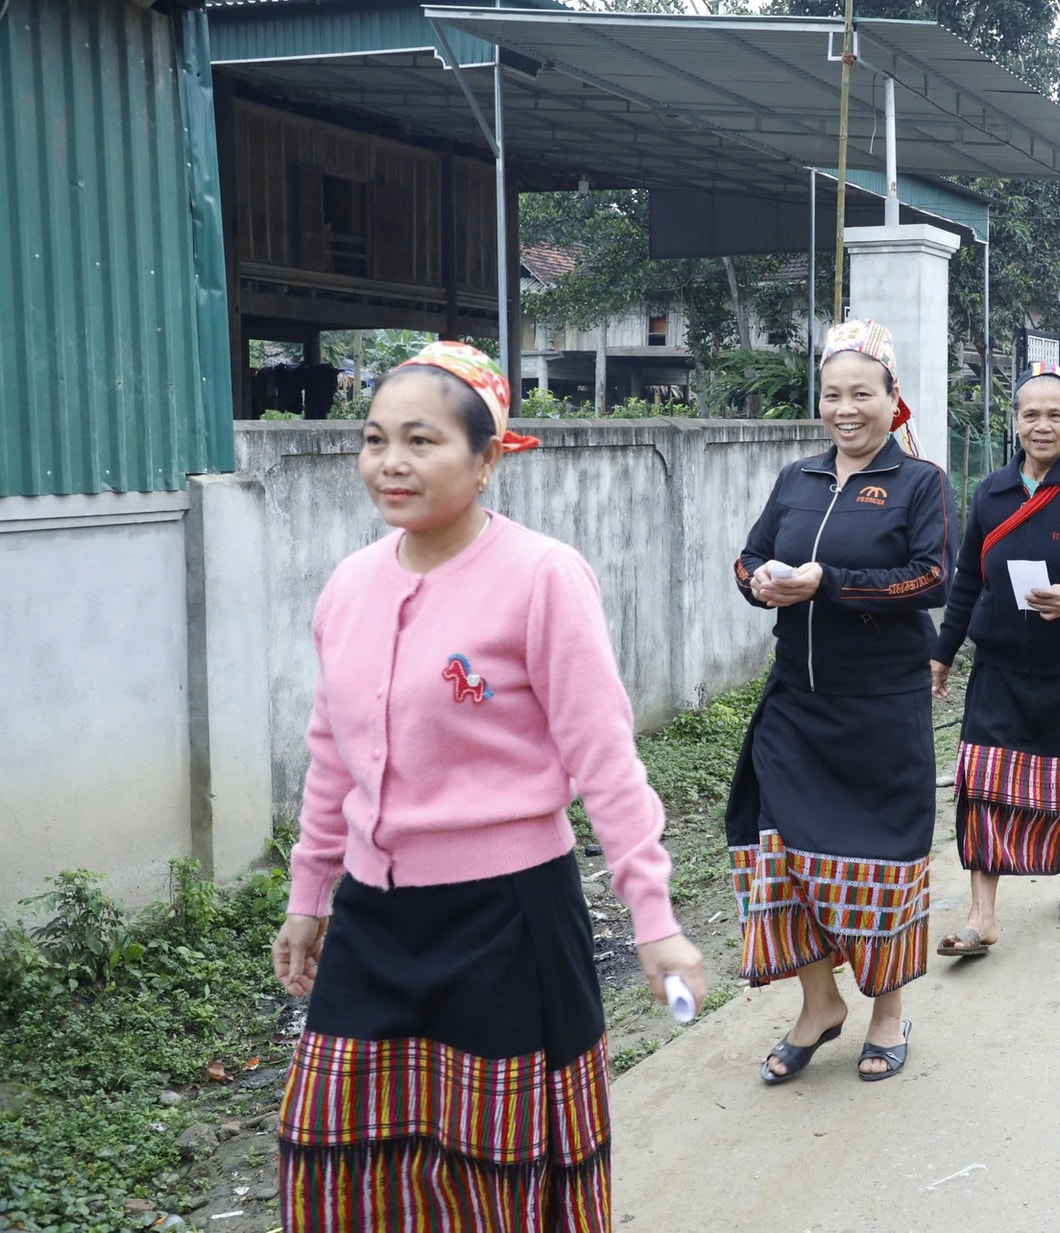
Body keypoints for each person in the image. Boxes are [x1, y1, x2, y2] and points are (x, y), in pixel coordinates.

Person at [272, 341, 707, 1227]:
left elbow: (605, 759)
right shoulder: (349, 586)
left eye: (421, 440)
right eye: (373, 438)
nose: (390, 462)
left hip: (507, 920)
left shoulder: (542, 577)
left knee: (498, 1174)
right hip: (373, 919)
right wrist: (309, 896)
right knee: (332, 1154)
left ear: (486, 456)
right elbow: (331, 756)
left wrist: (654, 920)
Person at [729, 319, 955, 1086]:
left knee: (880, 859)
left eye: (863, 392)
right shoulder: (798, 477)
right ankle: (819, 1002)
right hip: (797, 701)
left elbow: (931, 580)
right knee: (775, 848)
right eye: (833, 393)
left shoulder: (919, 483)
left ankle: (886, 1013)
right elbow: (752, 551)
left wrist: (832, 583)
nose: (845, 407)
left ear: (894, 400)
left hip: (881, 706)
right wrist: (758, 580)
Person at [930, 371, 1060, 948]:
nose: (1041, 425)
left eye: (1055, 415)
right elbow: (968, 577)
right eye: (1030, 414)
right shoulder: (992, 493)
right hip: (998, 667)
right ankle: (982, 917)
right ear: (1016, 421)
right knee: (984, 785)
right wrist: (943, 654)